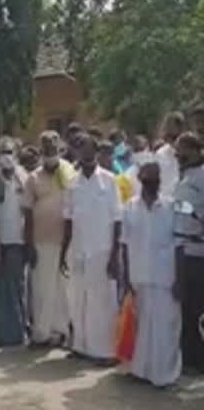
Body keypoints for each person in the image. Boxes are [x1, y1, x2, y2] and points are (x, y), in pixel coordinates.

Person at [60, 134, 122, 366]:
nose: (85, 155)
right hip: (77, 250)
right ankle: (80, 346)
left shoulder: (110, 181)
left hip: (102, 251)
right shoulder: (72, 183)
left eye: (89, 150)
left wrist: (115, 255)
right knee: (78, 299)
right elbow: (68, 220)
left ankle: (105, 352)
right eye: (80, 150)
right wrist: (63, 253)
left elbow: (118, 220)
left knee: (102, 302)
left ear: (96, 152)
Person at [121, 162, 183, 387]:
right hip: (140, 276)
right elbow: (125, 245)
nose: (150, 181)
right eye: (146, 177)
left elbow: (179, 246)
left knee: (167, 326)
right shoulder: (129, 207)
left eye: (154, 177)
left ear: (160, 180)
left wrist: (180, 278)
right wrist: (126, 277)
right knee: (143, 326)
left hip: (166, 277)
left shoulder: (171, 206)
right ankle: (142, 371)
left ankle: (166, 374)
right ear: (139, 178)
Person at [23, 131, 74, 347]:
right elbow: (27, 213)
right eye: (46, 150)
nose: (50, 154)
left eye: (53, 150)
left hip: (66, 241)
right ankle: (41, 333)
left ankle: (61, 331)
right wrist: (29, 244)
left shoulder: (69, 172)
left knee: (62, 289)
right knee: (42, 287)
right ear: (41, 152)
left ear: (59, 149)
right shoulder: (33, 178)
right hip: (41, 240)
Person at [0, 138, 29, 346]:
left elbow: (27, 208)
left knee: (18, 287)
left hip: (18, 240)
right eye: (3, 152)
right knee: (2, 288)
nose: (7, 155)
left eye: (10, 152)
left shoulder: (22, 175)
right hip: (0, 242)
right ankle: (3, 334)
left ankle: (19, 331)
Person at [174, 132, 204, 373]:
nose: (178, 155)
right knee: (185, 307)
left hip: (199, 251)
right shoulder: (183, 176)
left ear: (195, 150)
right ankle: (189, 358)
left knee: (197, 308)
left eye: (182, 150)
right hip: (183, 249)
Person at [157, 111, 185, 197]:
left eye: (171, 126)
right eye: (166, 127)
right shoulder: (161, 153)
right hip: (168, 203)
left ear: (181, 128)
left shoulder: (193, 152)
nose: (167, 130)